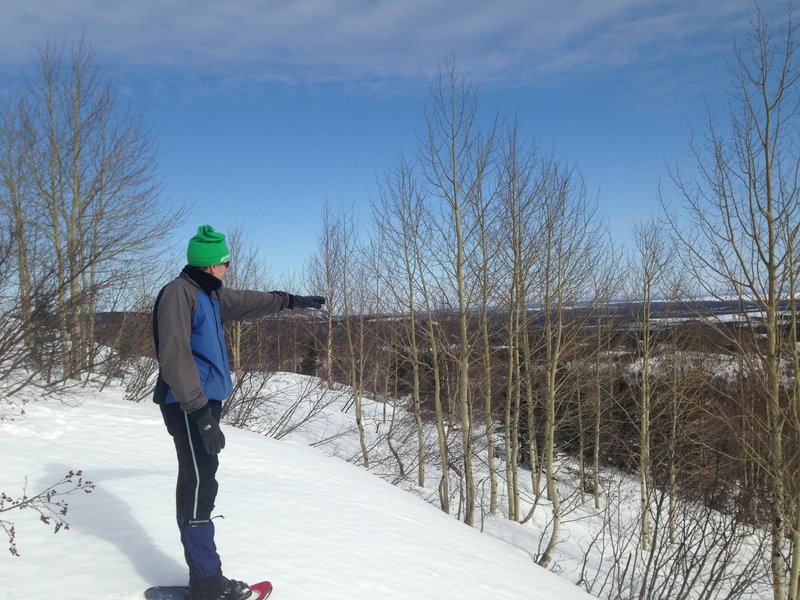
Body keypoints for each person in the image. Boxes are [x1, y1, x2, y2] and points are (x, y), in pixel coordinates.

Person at [152, 224, 325, 600]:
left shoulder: (209, 295)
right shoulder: (179, 295)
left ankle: (204, 580)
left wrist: (292, 300)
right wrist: (199, 412)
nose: (229, 267)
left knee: (195, 484)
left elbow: (251, 300)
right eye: (226, 262)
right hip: (187, 404)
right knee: (201, 487)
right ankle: (208, 586)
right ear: (212, 264)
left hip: (200, 403)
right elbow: (174, 356)